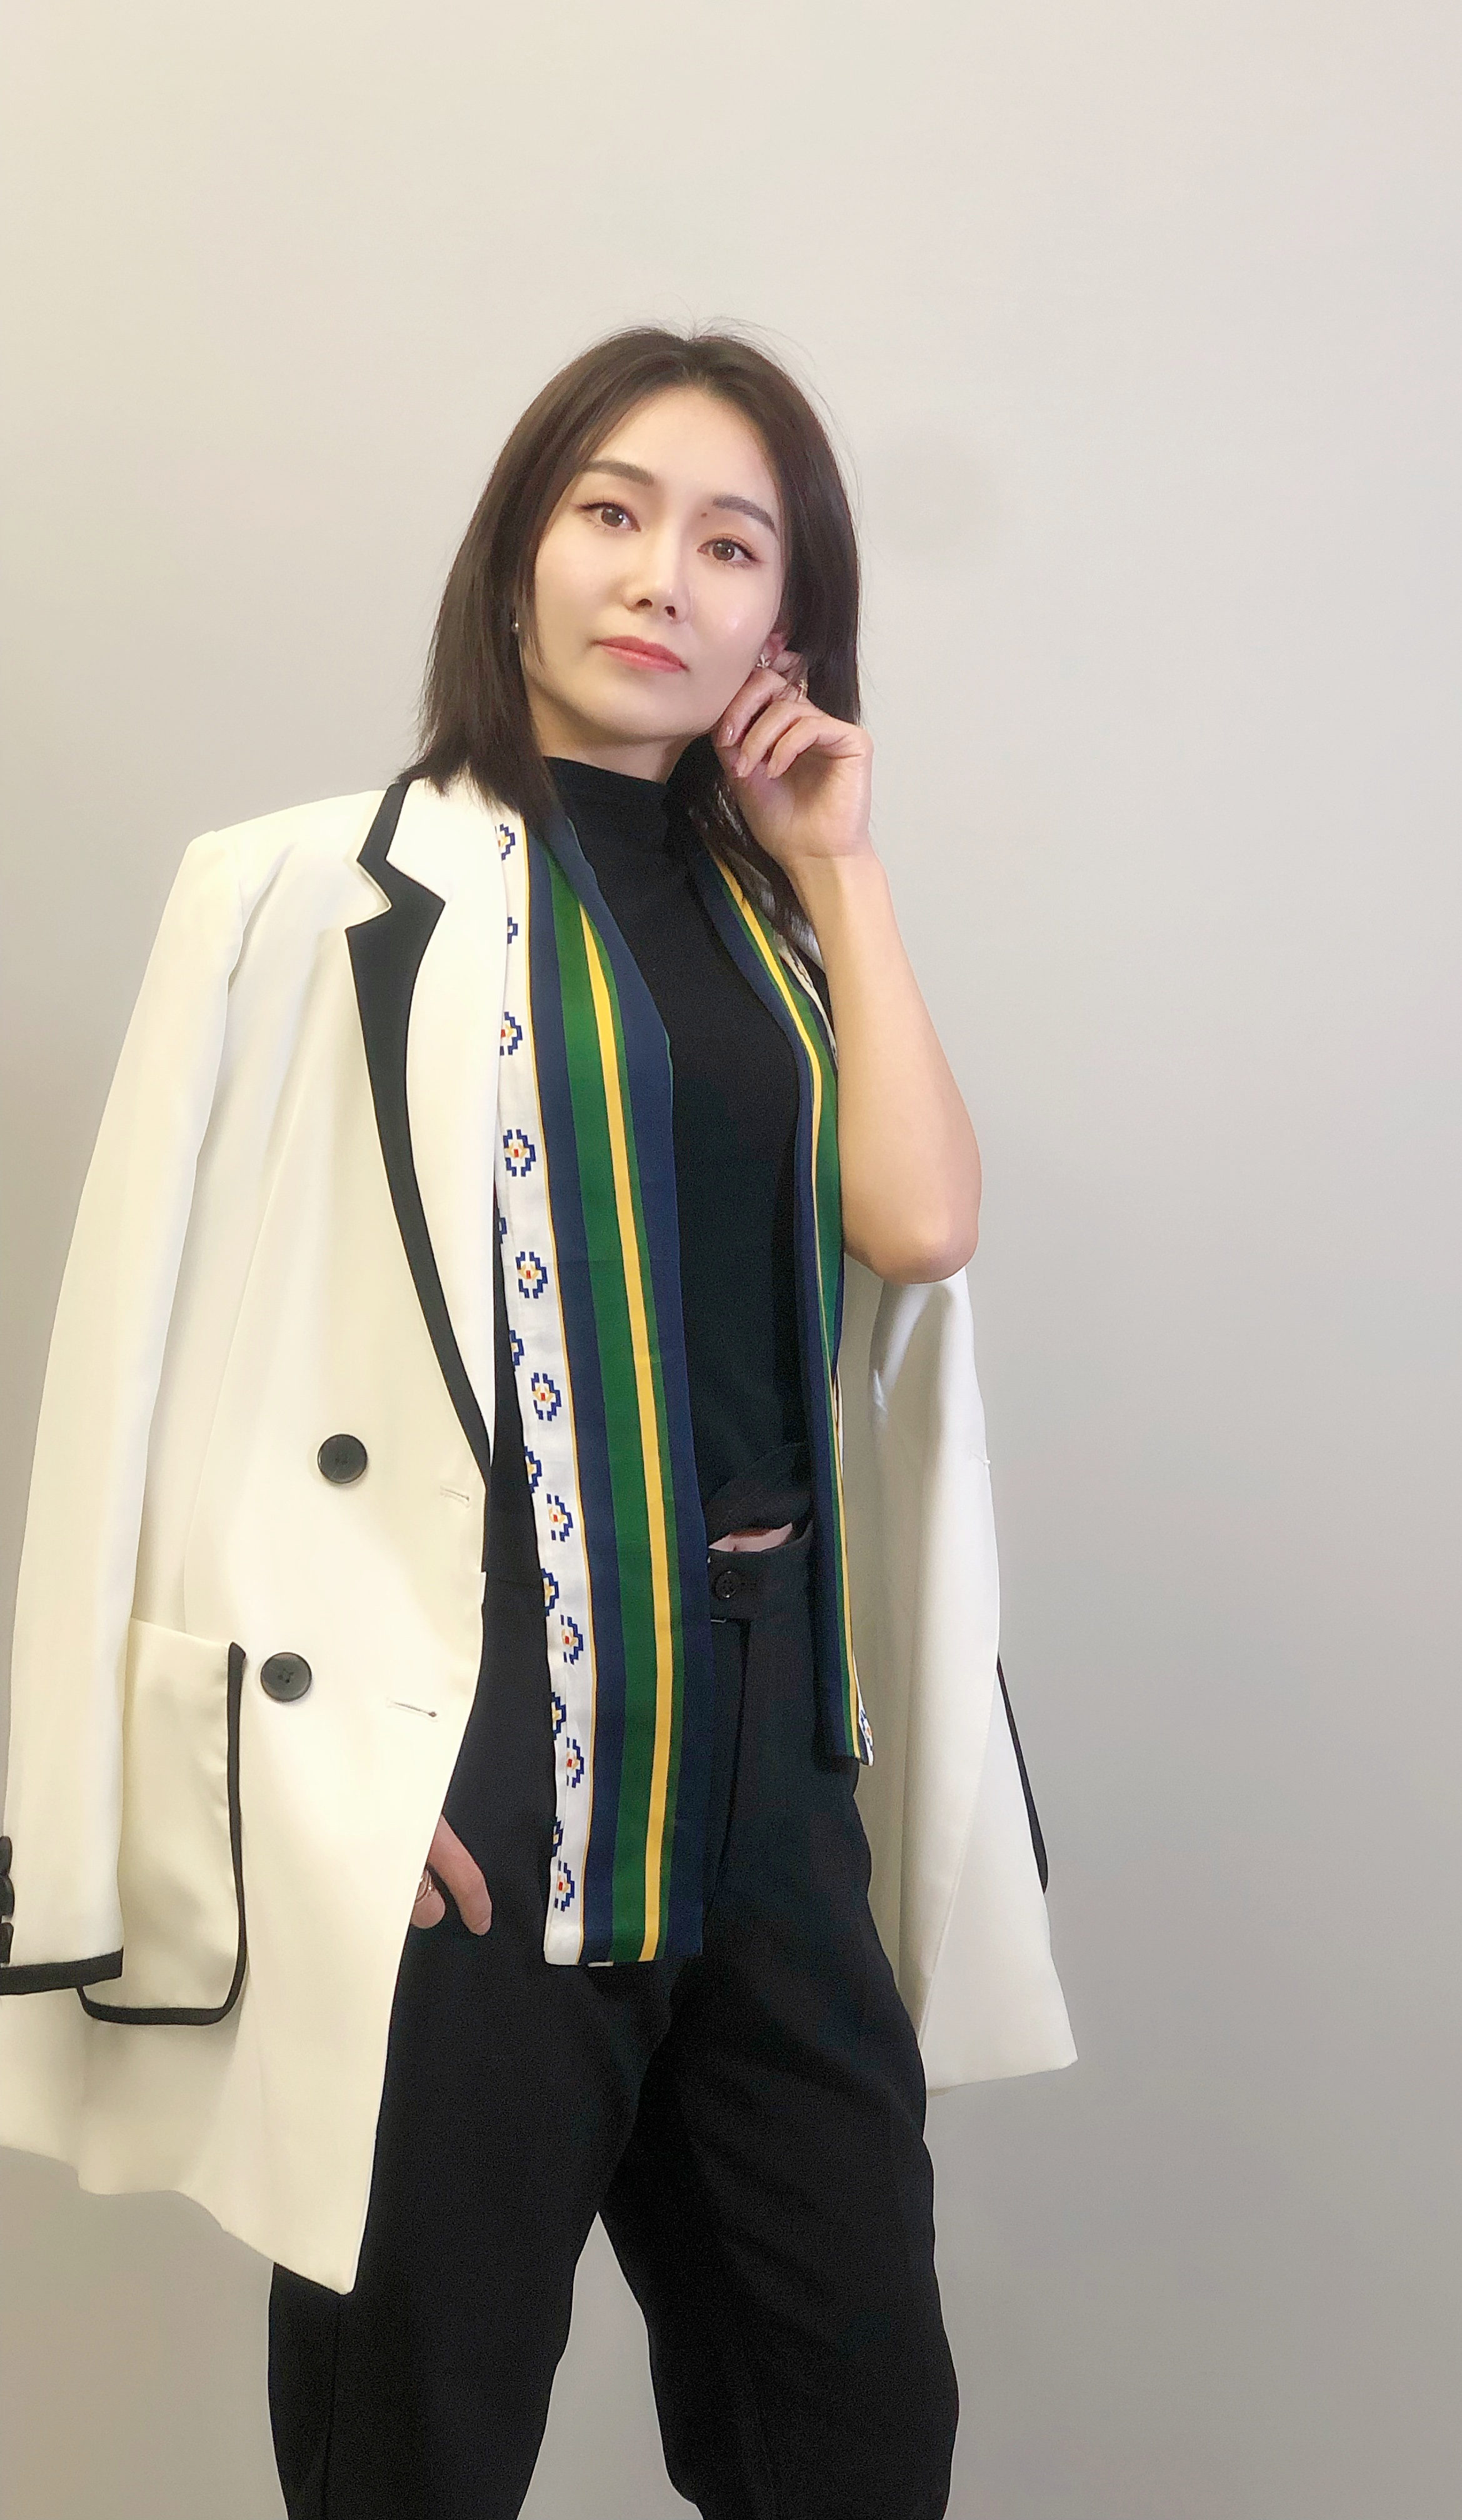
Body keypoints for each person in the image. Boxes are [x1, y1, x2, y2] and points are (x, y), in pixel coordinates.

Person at [0, 325, 1075, 2520]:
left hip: (773, 1747)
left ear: (787, 628)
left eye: (731, 545)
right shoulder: (296, 894)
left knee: (853, 2431)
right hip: (466, 1745)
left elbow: (922, 1222)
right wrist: (302, 1770)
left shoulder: (784, 926)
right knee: (413, 2445)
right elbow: (148, 1361)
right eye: (609, 512)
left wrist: (843, 868)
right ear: (516, 561)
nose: (660, 575)